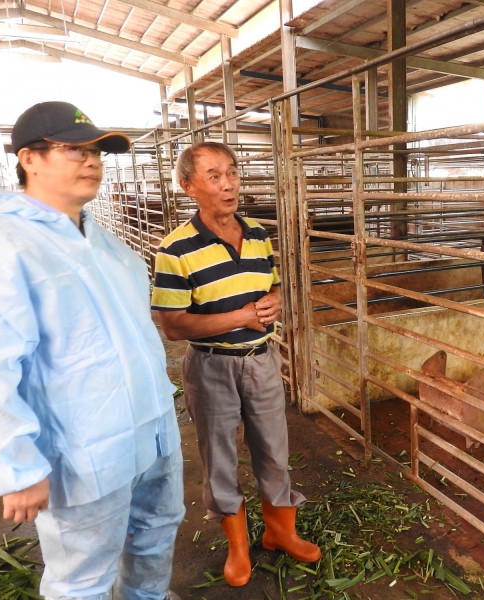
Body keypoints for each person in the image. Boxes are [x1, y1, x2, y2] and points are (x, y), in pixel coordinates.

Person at [0, 101, 185, 600]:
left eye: (96, 151)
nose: (92, 161)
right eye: (74, 150)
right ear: (30, 158)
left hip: (153, 431)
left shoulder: (106, 244)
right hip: (83, 448)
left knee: (156, 535)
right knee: (83, 574)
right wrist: (17, 466)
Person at [151, 141, 320, 587]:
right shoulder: (175, 248)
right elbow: (173, 325)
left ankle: (281, 533)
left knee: (273, 450)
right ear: (188, 187)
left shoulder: (260, 233)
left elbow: (275, 286)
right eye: (214, 176)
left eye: (232, 173)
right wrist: (242, 316)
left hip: (262, 359)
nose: (228, 185)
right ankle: (238, 547)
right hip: (211, 367)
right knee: (220, 457)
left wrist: (275, 303)